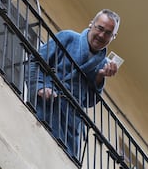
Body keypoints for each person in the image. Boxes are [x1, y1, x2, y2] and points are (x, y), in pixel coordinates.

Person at [28, 9, 120, 159]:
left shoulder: (103, 64)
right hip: (46, 103)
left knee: (62, 162)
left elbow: (88, 101)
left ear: (113, 37)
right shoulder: (68, 38)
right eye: (100, 28)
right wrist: (40, 86)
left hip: (70, 122)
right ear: (91, 24)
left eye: (108, 33)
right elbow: (36, 61)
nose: (102, 35)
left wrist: (99, 77)